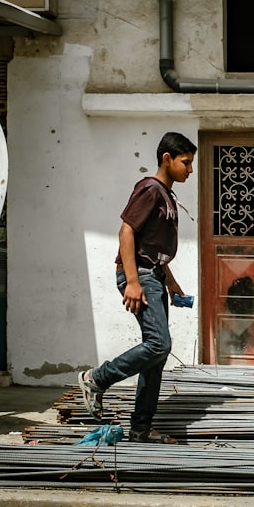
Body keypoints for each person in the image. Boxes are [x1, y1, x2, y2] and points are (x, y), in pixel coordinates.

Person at [79, 131, 196, 443]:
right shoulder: (150, 189)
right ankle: (96, 378)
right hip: (140, 277)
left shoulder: (167, 196)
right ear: (167, 159)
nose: (190, 170)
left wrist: (171, 283)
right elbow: (127, 232)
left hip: (153, 275)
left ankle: (141, 430)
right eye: (186, 162)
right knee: (160, 345)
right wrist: (132, 281)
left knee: (155, 358)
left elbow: (152, 245)